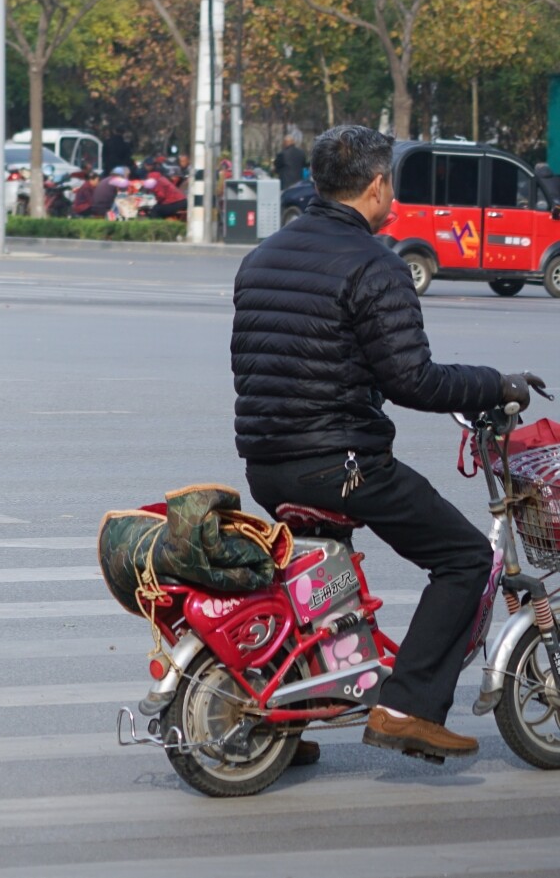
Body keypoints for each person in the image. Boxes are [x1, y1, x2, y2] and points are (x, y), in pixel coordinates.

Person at [233, 124, 544, 763]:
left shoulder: (262, 255)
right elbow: (413, 380)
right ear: (378, 186)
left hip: (268, 465)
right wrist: (496, 384)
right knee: (464, 560)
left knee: (323, 589)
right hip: (340, 464)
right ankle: (407, 708)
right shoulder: (376, 263)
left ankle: (285, 721)